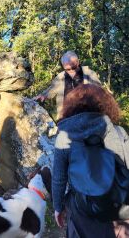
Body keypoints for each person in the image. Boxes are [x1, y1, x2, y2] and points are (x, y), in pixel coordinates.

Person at [52, 84, 129, 237]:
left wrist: (58, 208)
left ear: (71, 107)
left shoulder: (64, 137)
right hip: (117, 206)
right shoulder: (119, 132)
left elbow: (59, 179)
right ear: (106, 105)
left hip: (81, 208)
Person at [34, 51, 101, 120]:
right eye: (68, 69)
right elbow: (51, 90)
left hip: (87, 117)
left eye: (74, 67)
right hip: (66, 118)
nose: (72, 71)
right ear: (63, 66)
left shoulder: (89, 74)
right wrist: (43, 95)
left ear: (78, 62)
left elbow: (100, 93)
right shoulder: (60, 77)